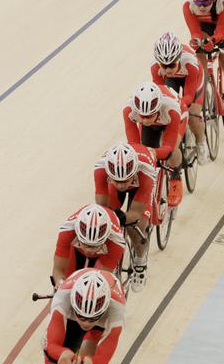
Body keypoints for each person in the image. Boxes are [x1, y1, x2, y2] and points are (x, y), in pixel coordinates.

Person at [94, 142, 156, 292]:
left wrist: (122, 219)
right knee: (105, 220)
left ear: (134, 173)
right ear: (110, 175)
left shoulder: (146, 172)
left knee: (137, 227)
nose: (121, 185)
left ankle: (141, 262)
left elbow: (136, 213)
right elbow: (103, 207)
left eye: (125, 181)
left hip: (140, 188)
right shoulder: (100, 170)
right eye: (117, 181)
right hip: (113, 188)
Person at [123, 81, 185, 208]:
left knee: (172, 150)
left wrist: (155, 153)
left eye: (149, 116)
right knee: (141, 150)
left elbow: (167, 148)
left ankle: (176, 175)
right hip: (155, 124)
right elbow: (134, 146)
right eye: (142, 116)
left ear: (157, 110)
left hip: (175, 118)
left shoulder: (171, 108)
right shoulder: (129, 110)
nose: (145, 120)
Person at [150, 32, 207, 162]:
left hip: (193, 79)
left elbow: (189, 95)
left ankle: (201, 142)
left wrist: (182, 106)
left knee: (192, 113)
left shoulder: (189, 62)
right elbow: (161, 94)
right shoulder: (155, 67)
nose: (168, 69)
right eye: (164, 66)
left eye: (172, 65)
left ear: (178, 59)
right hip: (172, 80)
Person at [52, 204, 125, 286]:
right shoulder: (67, 231)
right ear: (78, 235)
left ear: (105, 240)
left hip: (103, 255)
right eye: (86, 245)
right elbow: (58, 270)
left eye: (94, 246)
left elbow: (99, 281)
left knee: (95, 286)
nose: (88, 251)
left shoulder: (117, 242)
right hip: (77, 249)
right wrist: (60, 283)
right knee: (61, 287)